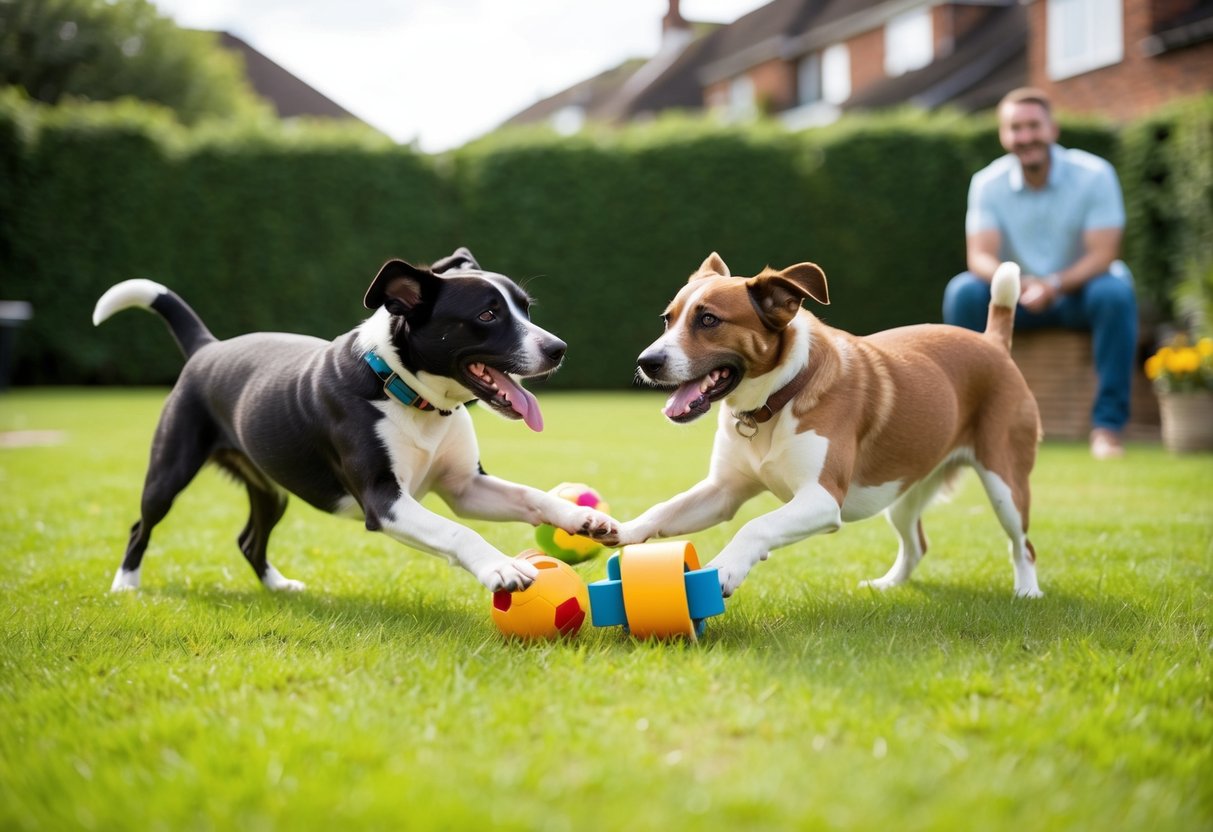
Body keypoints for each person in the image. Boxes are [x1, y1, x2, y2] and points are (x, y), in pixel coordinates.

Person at [943, 87, 1137, 460]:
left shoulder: (1095, 174)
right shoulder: (987, 183)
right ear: (1004, 135)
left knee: (1114, 291)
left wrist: (1053, 284)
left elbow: (1104, 254)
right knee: (963, 291)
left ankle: (1108, 429)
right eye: (1016, 128)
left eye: (1034, 126)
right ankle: (965, 427)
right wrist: (1020, 285)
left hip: (1079, 295)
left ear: (1053, 129)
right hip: (1016, 298)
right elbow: (979, 257)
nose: (1026, 136)